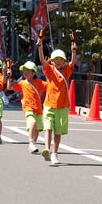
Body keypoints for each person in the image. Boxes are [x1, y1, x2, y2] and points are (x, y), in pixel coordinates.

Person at [36, 37, 78, 166]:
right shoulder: (49, 70)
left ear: (63, 61)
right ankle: (47, 150)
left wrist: (74, 51)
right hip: (49, 104)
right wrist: (40, 48)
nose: (58, 62)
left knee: (58, 132)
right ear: (52, 61)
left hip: (63, 106)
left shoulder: (67, 70)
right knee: (48, 128)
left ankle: (54, 153)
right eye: (56, 60)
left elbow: (73, 62)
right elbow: (43, 61)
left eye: (60, 59)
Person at [11, 61, 47, 154]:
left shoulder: (39, 82)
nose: (25, 72)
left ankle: (33, 144)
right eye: (24, 70)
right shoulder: (22, 83)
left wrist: (48, 70)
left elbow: (50, 85)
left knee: (38, 128)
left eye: (28, 70)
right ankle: (31, 143)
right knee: (32, 122)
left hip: (38, 109)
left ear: (34, 72)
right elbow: (10, 87)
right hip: (27, 107)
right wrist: (8, 76)